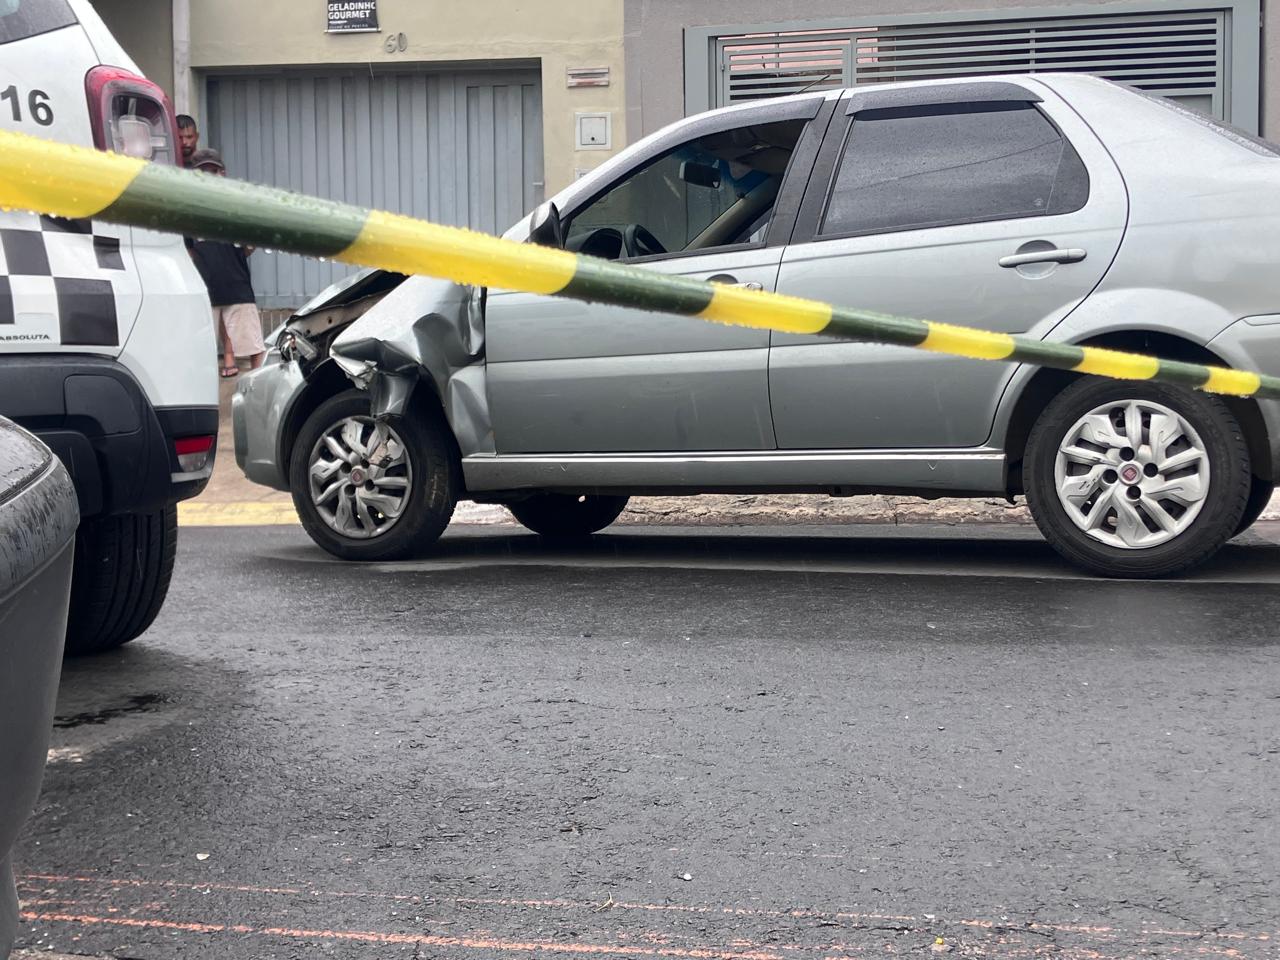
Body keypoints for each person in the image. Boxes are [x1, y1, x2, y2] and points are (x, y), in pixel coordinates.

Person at [187, 148, 266, 377]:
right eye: (204, 172)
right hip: (203, 289)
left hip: (237, 287)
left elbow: (251, 243)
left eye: (214, 171)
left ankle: (259, 391)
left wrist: (235, 257)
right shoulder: (188, 207)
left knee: (254, 347)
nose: (210, 176)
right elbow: (187, 247)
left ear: (223, 173)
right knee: (199, 352)